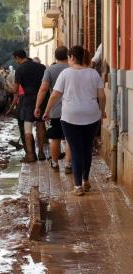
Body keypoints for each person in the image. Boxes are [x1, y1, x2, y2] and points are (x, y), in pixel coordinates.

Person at [43, 45, 107, 196]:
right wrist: (102, 111)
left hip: (70, 116)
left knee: (76, 149)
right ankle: (85, 180)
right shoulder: (93, 74)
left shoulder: (66, 73)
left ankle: (77, 186)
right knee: (86, 149)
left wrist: (47, 111)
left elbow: (55, 95)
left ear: (71, 57)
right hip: (91, 115)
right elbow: (102, 96)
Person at [35, 46, 72, 173]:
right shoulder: (72, 69)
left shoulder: (50, 70)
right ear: (68, 56)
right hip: (71, 111)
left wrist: (38, 106)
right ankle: (68, 164)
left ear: (55, 57)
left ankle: (55, 163)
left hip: (55, 111)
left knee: (55, 138)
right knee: (69, 139)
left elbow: (43, 89)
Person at [12, 49, 47, 162]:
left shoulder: (19, 70)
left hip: (28, 100)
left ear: (17, 57)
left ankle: (31, 155)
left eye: (15, 59)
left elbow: (15, 89)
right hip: (41, 99)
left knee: (28, 128)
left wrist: (5, 87)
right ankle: (41, 152)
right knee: (40, 125)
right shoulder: (41, 67)